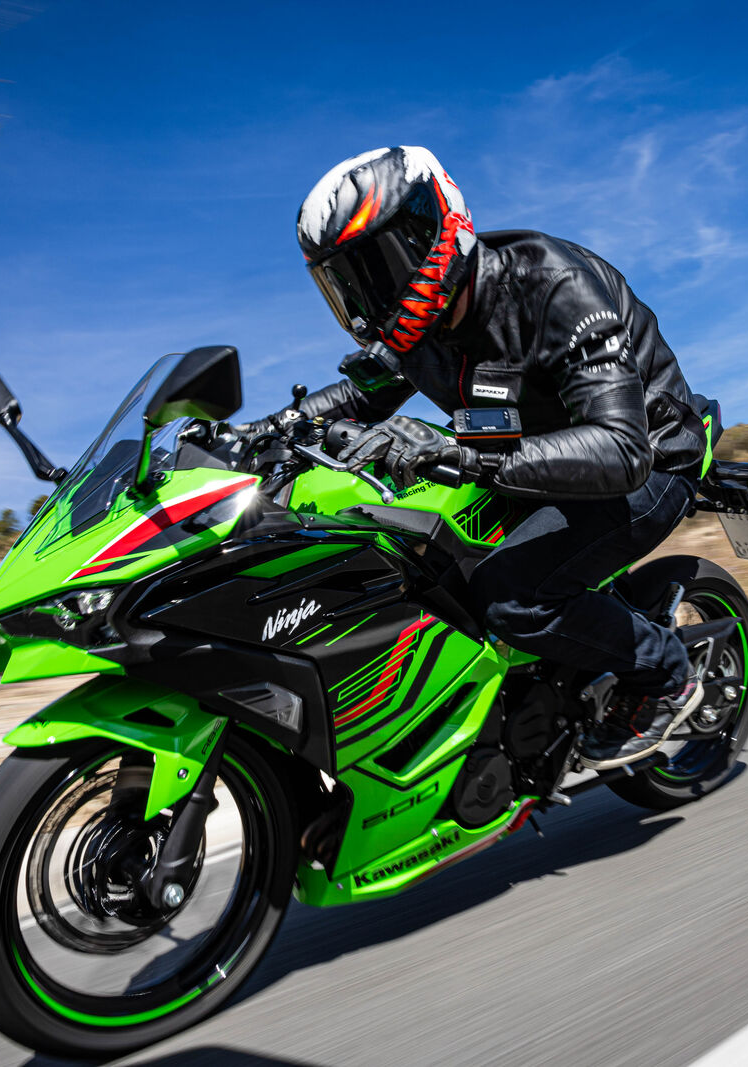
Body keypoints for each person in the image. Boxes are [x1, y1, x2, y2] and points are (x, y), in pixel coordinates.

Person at [279, 145, 710, 768]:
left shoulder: (554, 286)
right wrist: (268, 428)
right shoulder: (421, 328)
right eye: (347, 280)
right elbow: (360, 394)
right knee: (418, 558)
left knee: (511, 595)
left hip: (649, 458)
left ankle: (664, 673)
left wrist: (458, 452)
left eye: (377, 266)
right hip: (526, 461)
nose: (367, 294)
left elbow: (622, 448)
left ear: (434, 227)